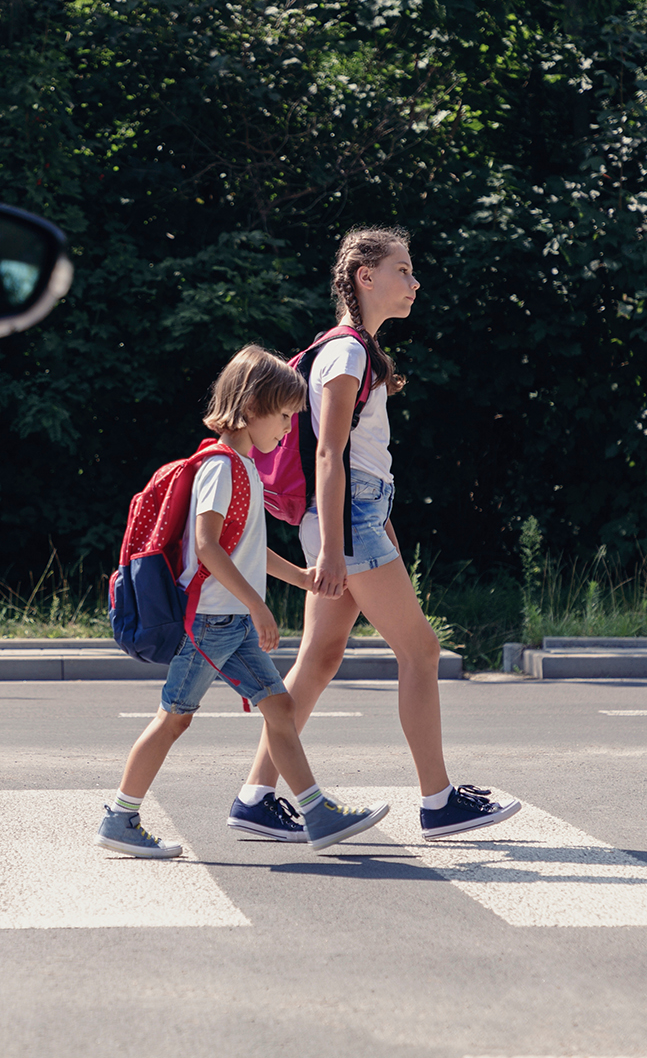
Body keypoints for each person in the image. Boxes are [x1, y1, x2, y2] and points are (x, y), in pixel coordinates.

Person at [225, 228, 521, 843]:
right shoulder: (349, 352)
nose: (414, 283)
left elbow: (354, 456)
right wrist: (336, 547)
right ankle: (439, 802)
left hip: (356, 516)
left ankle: (255, 796)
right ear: (365, 276)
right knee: (421, 652)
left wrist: (369, 524)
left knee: (321, 657)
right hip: (346, 520)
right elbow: (330, 454)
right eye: (403, 270)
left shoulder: (353, 352)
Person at [96, 346, 391, 858]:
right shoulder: (220, 466)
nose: (286, 431)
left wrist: (301, 577)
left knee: (279, 707)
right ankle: (121, 817)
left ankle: (316, 813)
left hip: (226, 622)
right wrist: (258, 606)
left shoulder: (245, 469)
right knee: (175, 719)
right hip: (210, 623)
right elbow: (209, 546)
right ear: (250, 407)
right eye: (282, 417)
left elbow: (248, 549)